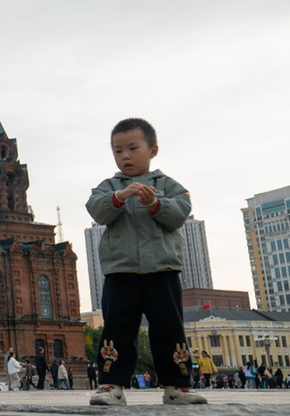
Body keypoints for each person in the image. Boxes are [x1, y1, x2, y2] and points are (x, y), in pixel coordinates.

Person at [86, 118, 206, 406]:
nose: (124, 156)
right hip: (120, 271)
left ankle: (177, 387)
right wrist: (119, 197)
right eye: (117, 151)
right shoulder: (108, 186)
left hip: (161, 270)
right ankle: (111, 385)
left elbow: (180, 213)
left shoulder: (168, 185)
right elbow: (96, 209)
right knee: (117, 328)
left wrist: (155, 204)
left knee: (168, 328)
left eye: (132, 148)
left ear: (153, 150)